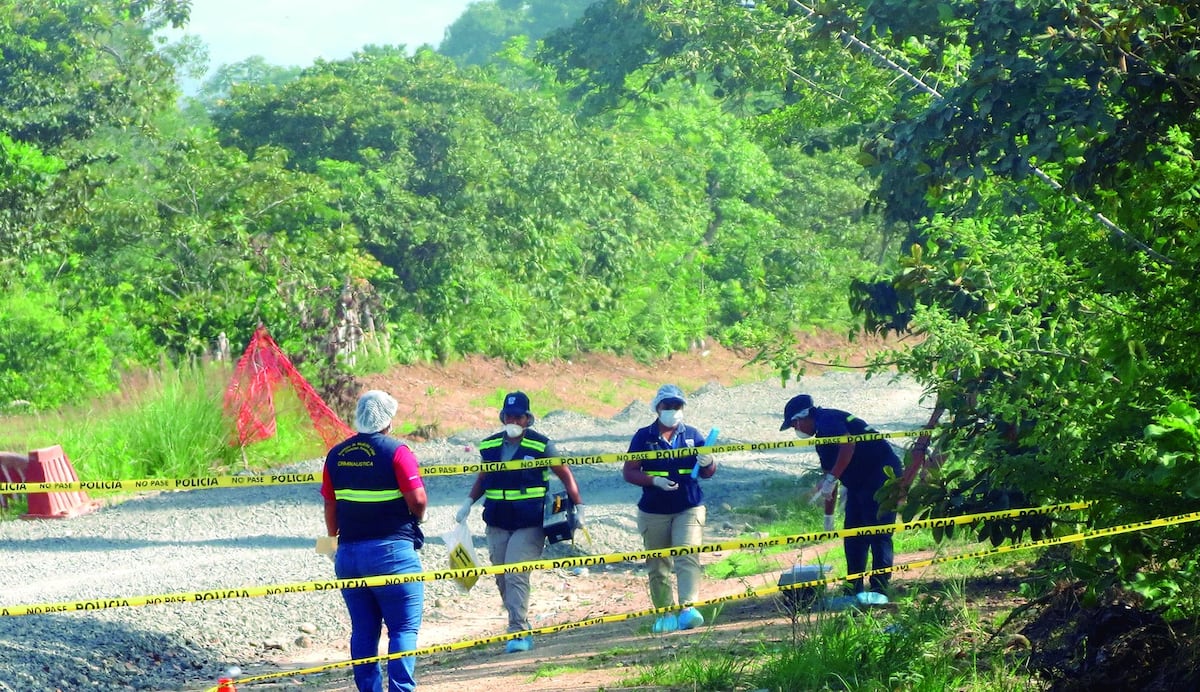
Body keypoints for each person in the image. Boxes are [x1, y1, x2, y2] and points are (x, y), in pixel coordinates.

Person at [454, 391, 585, 653]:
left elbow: (565, 474)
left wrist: (578, 506)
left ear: (528, 418)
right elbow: (483, 478)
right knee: (502, 576)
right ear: (503, 417)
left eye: (518, 416)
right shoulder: (490, 446)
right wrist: (468, 502)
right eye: (509, 415)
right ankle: (518, 618)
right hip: (497, 521)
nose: (513, 420)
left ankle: (518, 632)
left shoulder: (542, 446)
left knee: (516, 572)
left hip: (529, 522)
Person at [321, 390, 427, 692]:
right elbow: (418, 499)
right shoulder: (397, 452)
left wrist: (332, 541)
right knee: (403, 629)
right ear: (388, 420)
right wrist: (417, 518)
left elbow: (330, 505)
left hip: (349, 555)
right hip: (392, 553)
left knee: (364, 631)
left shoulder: (336, 454)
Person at [779, 394, 903, 595]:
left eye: (794, 425)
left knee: (878, 531)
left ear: (802, 417)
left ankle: (880, 587)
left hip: (881, 474)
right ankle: (853, 587)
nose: (796, 429)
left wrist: (831, 479)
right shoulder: (822, 440)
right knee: (852, 534)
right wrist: (828, 518)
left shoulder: (827, 419)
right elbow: (831, 477)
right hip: (858, 482)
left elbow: (848, 444)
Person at [622, 384, 717, 633]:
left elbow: (707, 472)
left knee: (687, 554)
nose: (673, 410)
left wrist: (709, 462)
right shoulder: (644, 436)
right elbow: (629, 472)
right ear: (658, 408)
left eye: (677, 406)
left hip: (689, 506)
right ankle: (664, 613)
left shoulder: (693, 434)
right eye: (668, 406)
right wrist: (654, 480)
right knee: (658, 563)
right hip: (654, 509)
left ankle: (688, 609)